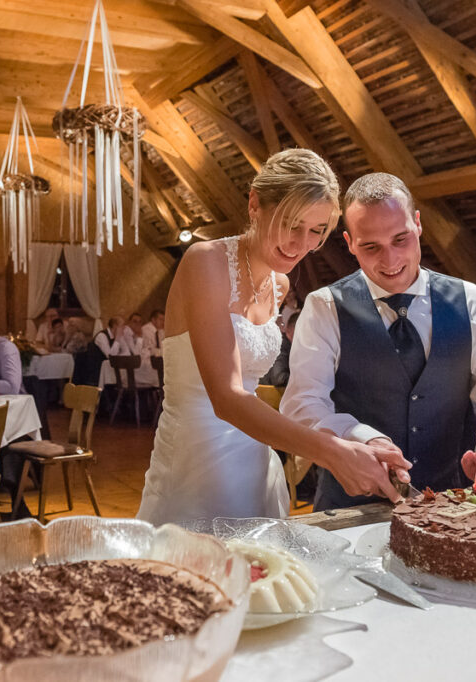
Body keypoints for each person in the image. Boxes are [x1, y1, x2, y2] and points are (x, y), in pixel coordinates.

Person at [136, 148, 394, 524]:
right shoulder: (204, 261)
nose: (300, 244)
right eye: (291, 223)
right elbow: (226, 397)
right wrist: (331, 453)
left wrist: (354, 438)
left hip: (254, 458)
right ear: (255, 203)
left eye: (316, 231)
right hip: (193, 462)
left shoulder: (279, 283)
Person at [281, 172, 476, 510]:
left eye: (401, 239)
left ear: (418, 224)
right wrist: (359, 437)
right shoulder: (324, 306)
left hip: (451, 503)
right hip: (351, 505)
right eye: (371, 247)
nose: (391, 260)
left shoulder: (471, 300)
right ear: (350, 243)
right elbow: (302, 404)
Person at [261, 311, 299, 388]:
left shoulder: (290, 345)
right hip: (269, 397)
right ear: (291, 328)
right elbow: (279, 377)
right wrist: (303, 382)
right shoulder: (282, 345)